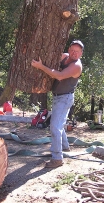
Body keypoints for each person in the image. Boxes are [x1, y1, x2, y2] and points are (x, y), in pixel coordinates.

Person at [31, 40, 84, 168]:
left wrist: (41, 67)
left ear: (81, 54)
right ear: (69, 48)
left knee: (55, 127)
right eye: (72, 50)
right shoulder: (65, 57)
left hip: (64, 98)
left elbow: (59, 76)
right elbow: (53, 55)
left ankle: (57, 158)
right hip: (57, 97)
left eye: (77, 51)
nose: (74, 53)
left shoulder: (77, 66)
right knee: (58, 123)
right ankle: (65, 147)